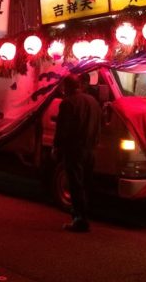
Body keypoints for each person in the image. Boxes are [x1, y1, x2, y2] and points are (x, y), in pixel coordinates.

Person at [53, 73, 102, 232]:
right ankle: (86, 216)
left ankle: (79, 219)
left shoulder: (68, 103)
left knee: (75, 184)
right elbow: (98, 127)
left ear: (67, 87)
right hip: (90, 150)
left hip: (74, 149)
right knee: (86, 183)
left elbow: (63, 129)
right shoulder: (93, 102)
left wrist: (57, 147)